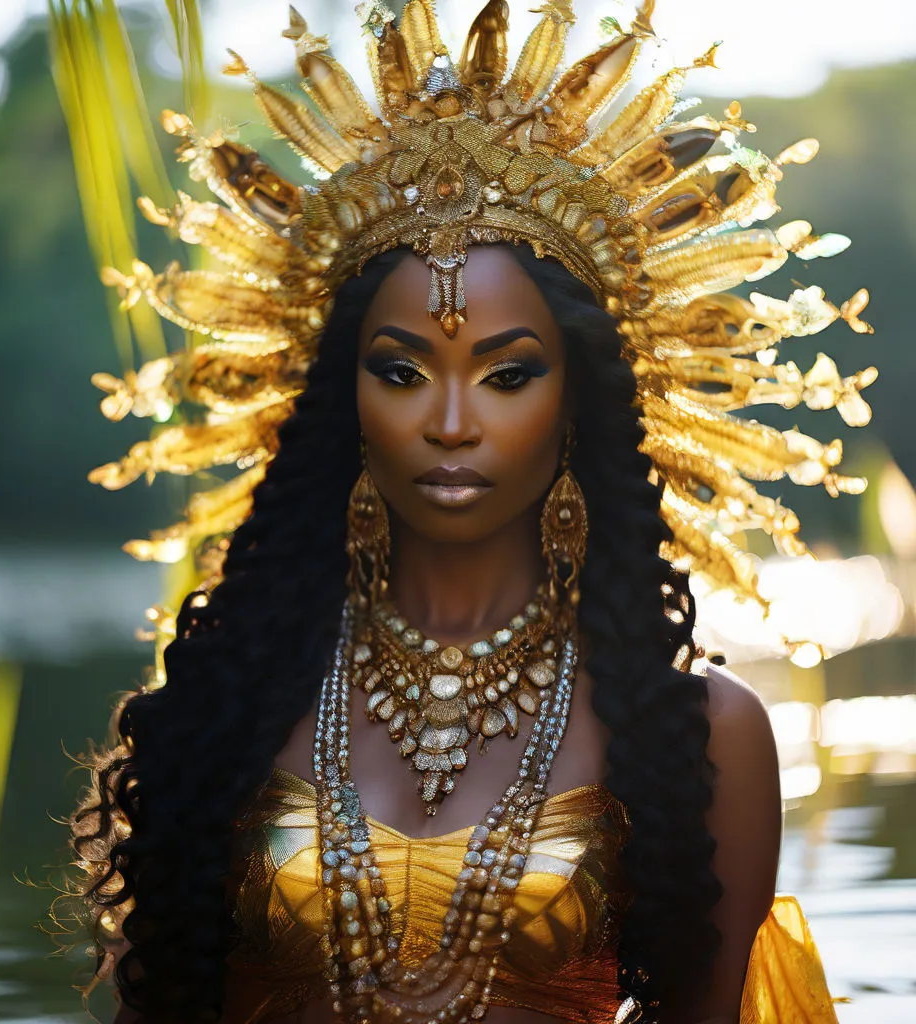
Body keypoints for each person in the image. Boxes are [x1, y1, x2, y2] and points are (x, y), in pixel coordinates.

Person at [50, 2, 875, 1022]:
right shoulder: (229, 702)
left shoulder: (702, 736)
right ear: (339, 401)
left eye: (506, 375)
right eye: (401, 371)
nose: (448, 422)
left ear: (577, 399)